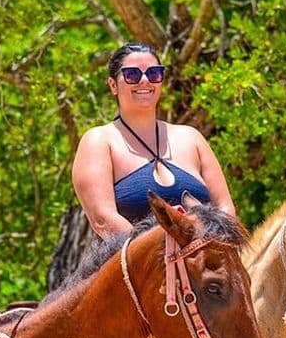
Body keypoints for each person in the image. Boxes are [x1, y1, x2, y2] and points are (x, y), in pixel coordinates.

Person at [72, 42, 236, 238]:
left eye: (153, 73)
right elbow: (103, 218)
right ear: (113, 85)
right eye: (132, 74)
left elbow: (225, 208)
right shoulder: (99, 141)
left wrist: (208, 246)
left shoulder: (192, 138)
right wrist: (169, 252)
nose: (144, 80)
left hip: (205, 261)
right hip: (139, 266)